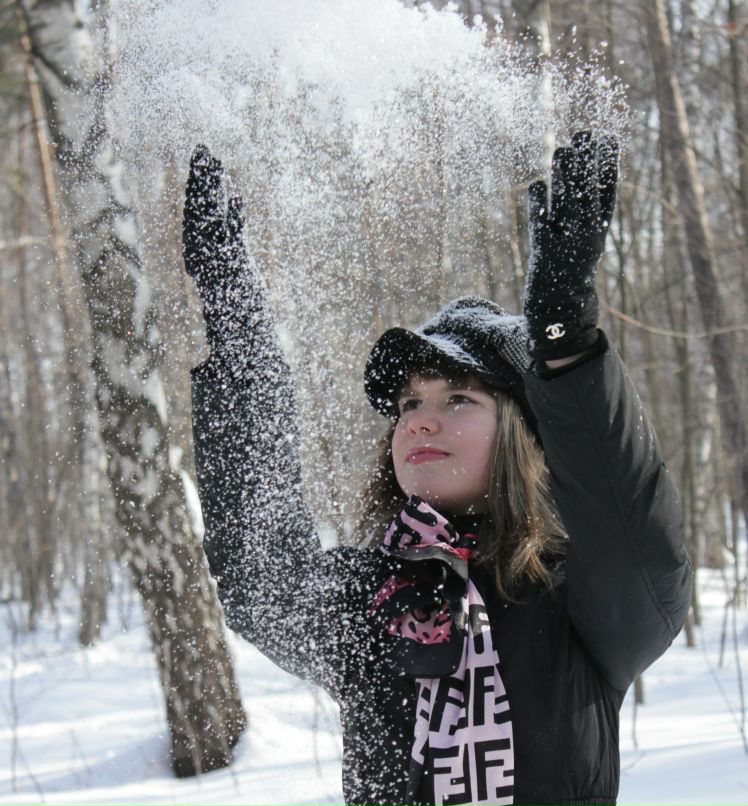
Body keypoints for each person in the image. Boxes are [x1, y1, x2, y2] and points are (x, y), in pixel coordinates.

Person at [183, 133, 693, 806]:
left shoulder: (582, 596)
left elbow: (634, 529)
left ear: (523, 436)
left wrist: (565, 346)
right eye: (408, 403)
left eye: (458, 398)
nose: (420, 420)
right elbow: (260, 571)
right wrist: (236, 326)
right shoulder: (372, 601)